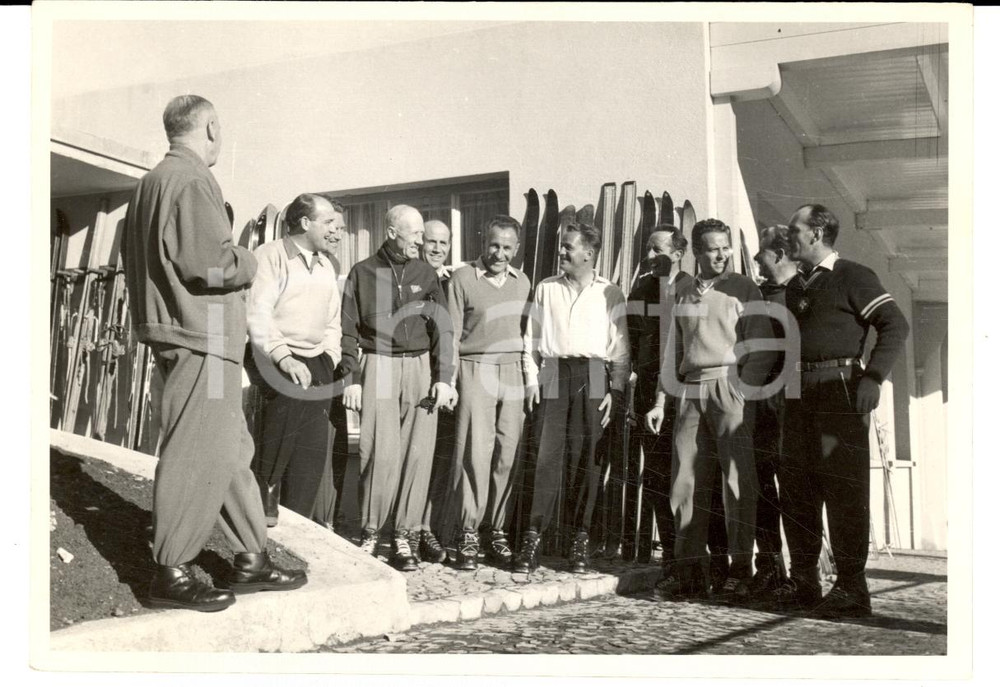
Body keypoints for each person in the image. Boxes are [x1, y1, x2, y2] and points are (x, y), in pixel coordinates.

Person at [123, 95, 305, 612]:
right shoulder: (193, 179)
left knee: (228, 450)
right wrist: (249, 262)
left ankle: (251, 557)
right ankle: (172, 570)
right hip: (201, 338)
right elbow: (212, 264)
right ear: (209, 126)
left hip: (189, 335)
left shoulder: (149, 184)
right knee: (193, 450)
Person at [776, 204, 909, 618]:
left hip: (840, 397)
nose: (788, 237)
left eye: (795, 230)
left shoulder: (853, 275)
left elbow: (894, 324)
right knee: (797, 490)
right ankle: (804, 582)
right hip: (799, 398)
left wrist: (873, 379)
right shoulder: (797, 284)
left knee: (844, 492)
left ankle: (852, 588)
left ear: (816, 233)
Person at [656, 218, 774, 603]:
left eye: (725, 246)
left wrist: (744, 389)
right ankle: (689, 571)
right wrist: (662, 399)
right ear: (696, 251)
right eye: (712, 248)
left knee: (738, 482)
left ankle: (741, 570)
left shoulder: (743, 287)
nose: (721, 254)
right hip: (691, 391)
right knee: (685, 482)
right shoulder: (684, 291)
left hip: (730, 387)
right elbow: (674, 349)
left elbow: (763, 341)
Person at [340, 205, 456, 571]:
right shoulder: (362, 273)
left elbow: (443, 329)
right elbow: (346, 331)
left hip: (420, 367)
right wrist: (351, 380)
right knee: (378, 453)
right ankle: (372, 531)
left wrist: (443, 377)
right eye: (415, 234)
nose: (421, 241)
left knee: (417, 455)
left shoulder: (426, 273)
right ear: (392, 232)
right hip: (379, 363)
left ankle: (404, 537)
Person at [512, 223, 629, 574]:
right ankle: (533, 537)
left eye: (567, 247)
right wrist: (532, 380)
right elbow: (530, 339)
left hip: (594, 373)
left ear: (588, 254)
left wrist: (616, 391)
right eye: (561, 246)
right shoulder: (546, 288)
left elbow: (620, 348)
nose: (561, 252)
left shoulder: (610, 292)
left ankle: (581, 538)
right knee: (545, 456)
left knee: (587, 459)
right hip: (552, 370)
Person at [245, 193, 344, 524]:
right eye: (328, 222)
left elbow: (332, 322)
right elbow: (259, 314)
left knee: (312, 446)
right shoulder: (270, 256)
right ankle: (261, 497)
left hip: (315, 358)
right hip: (271, 354)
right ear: (305, 222)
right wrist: (284, 358)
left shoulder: (327, 265)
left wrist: (329, 358)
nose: (335, 230)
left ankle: (299, 519)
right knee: (287, 403)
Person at [447, 216, 534, 570]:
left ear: (516, 249)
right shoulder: (463, 278)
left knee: (507, 453)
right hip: (474, 368)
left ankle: (496, 530)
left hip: (511, 370)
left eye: (507, 247)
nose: (500, 253)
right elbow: (452, 333)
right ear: (485, 242)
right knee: (474, 451)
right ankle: (468, 531)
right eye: (495, 245)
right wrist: (449, 380)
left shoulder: (523, 282)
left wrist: (529, 379)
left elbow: (528, 335)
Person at [627, 226, 691, 586]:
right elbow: (630, 339)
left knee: (687, 474)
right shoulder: (641, 290)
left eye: (657, 250)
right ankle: (670, 556)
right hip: (648, 392)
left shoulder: (691, 289)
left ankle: (696, 557)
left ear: (678, 253)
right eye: (648, 250)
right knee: (655, 474)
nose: (649, 257)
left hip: (685, 391)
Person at [745, 224, 800, 598]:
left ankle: (804, 571)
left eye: (761, 251)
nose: (755, 258)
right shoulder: (757, 296)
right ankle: (768, 565)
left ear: (779, 254)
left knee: (797, 489)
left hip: (796, 405)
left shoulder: (804, 292)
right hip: (760, 402)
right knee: (762, 486)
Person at [412, 219, 454, 564]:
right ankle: (411, 529)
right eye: (431, 241)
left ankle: (428, 527)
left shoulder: (454, 280)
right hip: (419, 371)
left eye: (444, 242)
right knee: (416, 455)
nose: (437, 248)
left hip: (450, 376)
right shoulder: (410, 279)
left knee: (440, 457)